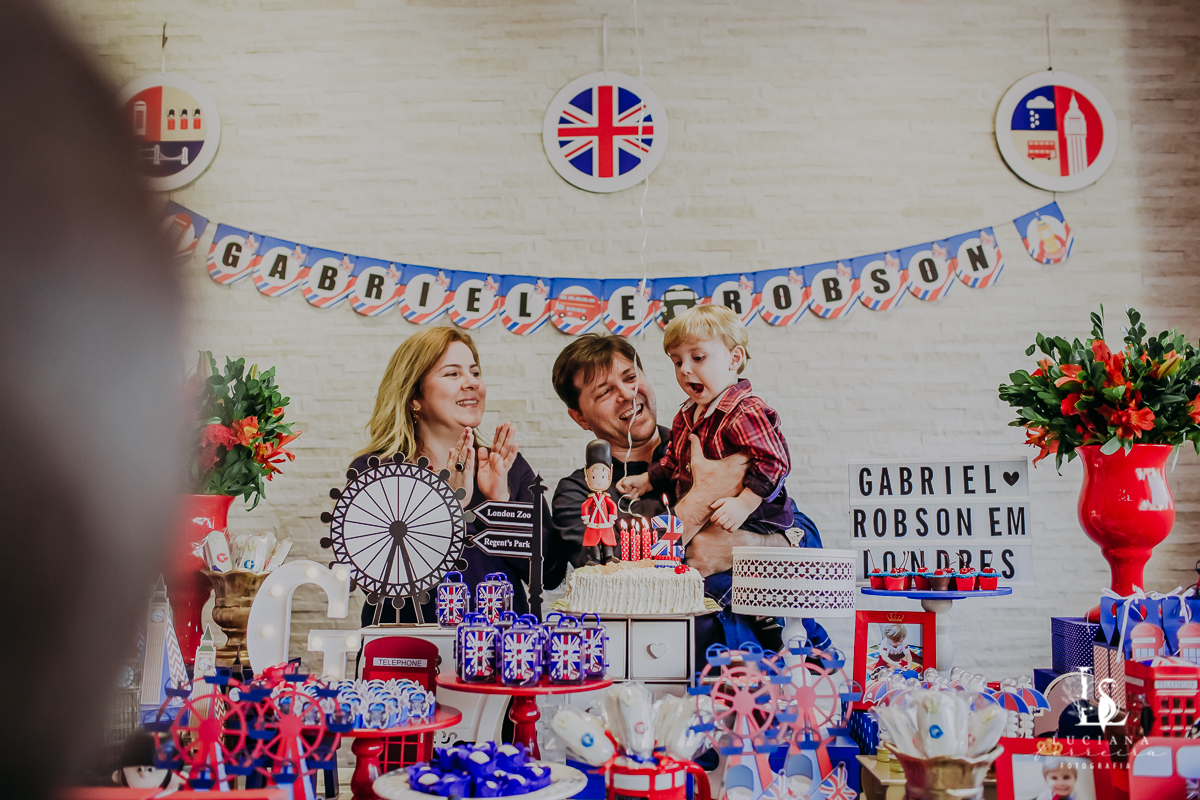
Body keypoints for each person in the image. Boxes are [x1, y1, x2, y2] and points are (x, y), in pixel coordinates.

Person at [549, 333, 828, 656]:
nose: (626, 394)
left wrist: (747, 548)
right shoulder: (581, 495)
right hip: (661, 667)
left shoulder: (714, 445)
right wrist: (703, 497)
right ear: (579, 416)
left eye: (630, 377)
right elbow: (611, 580)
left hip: (776, 662)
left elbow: (807, 540)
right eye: (605, 392)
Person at [352, 327, 566, 624]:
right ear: (414, 396)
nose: (472, 383)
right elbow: (376, 582)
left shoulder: (506, 465)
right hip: (408, 646)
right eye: (453, 374)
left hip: (501, 646)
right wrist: (447, 508)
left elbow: (550, 574)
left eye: (475, 372)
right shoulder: (376, 472)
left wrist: (501, 504)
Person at [617, 304, 792, 536]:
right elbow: (674, 460)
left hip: (752, 520)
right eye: (677, 362)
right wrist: (647, 480)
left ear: (734, 358)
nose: (685, 369)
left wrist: (744, 503)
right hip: (702, 520)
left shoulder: (745, 412)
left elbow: (774, 463)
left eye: (698, 357)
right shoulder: (685, 415)